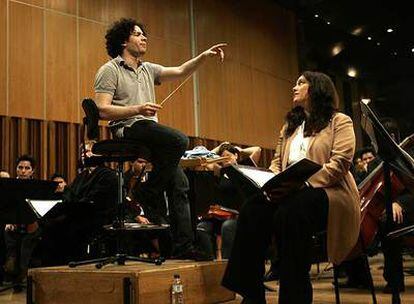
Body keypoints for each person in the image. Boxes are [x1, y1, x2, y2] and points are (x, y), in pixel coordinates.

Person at [222, 71, 360, 304]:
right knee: (252, 210)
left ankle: (295, 296)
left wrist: (304, 184)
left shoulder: (340, 121)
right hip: (289, 192)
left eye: (300, 83)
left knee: (292, 212)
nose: (294, 88)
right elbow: (277, 163)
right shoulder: (290, 126)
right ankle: (252, 294)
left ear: (316, 88)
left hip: (330, 192)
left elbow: (339, 164)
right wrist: (269, 183)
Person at [94, 18, 226, 260]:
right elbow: (102, 110)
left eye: (144, 34)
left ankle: (183, 247)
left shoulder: (148, 69)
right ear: (124, 40)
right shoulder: (109, 70)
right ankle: (149, 190)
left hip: (149, 131)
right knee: (179, 139)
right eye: (137, 34)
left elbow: (180, 71)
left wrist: (203, 56)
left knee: (180, 184)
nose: (144, 37)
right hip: (128, 129)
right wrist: (137, 109)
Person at [39, 142, 118, 266]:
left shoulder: (108, 175)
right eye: (82, 152)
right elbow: (69, 196)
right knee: (47, 224)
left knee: (59, 229)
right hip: (77, 214)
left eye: (88, 151)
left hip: (96, 219)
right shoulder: (81, 176)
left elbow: (94, 200)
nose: (84, 154)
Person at [197, 143, 261, 260]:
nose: (226, 159)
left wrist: (239, 150)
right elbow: (206, 158)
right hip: (220, 216)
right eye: (223, 157)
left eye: (228, 156)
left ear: (236, 155)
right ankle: (210, 262)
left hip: (237, 217)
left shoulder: (244, 168)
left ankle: (228, 263)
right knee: (201, 228)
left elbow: (257, 149)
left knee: (227, 227)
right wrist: (221, 146)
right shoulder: (220, 171)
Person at [3, 155, 41, 284]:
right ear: (16, 169)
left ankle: (22, 273)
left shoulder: (37, 187)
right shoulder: (9, 186)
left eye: (27, 168)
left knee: (27, 242)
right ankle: (12, 263)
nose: (23, 171)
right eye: (20, 168)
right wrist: (8, 221)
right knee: (9, 235)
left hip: (31, 224)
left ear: (32, 171)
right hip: (12, 223)